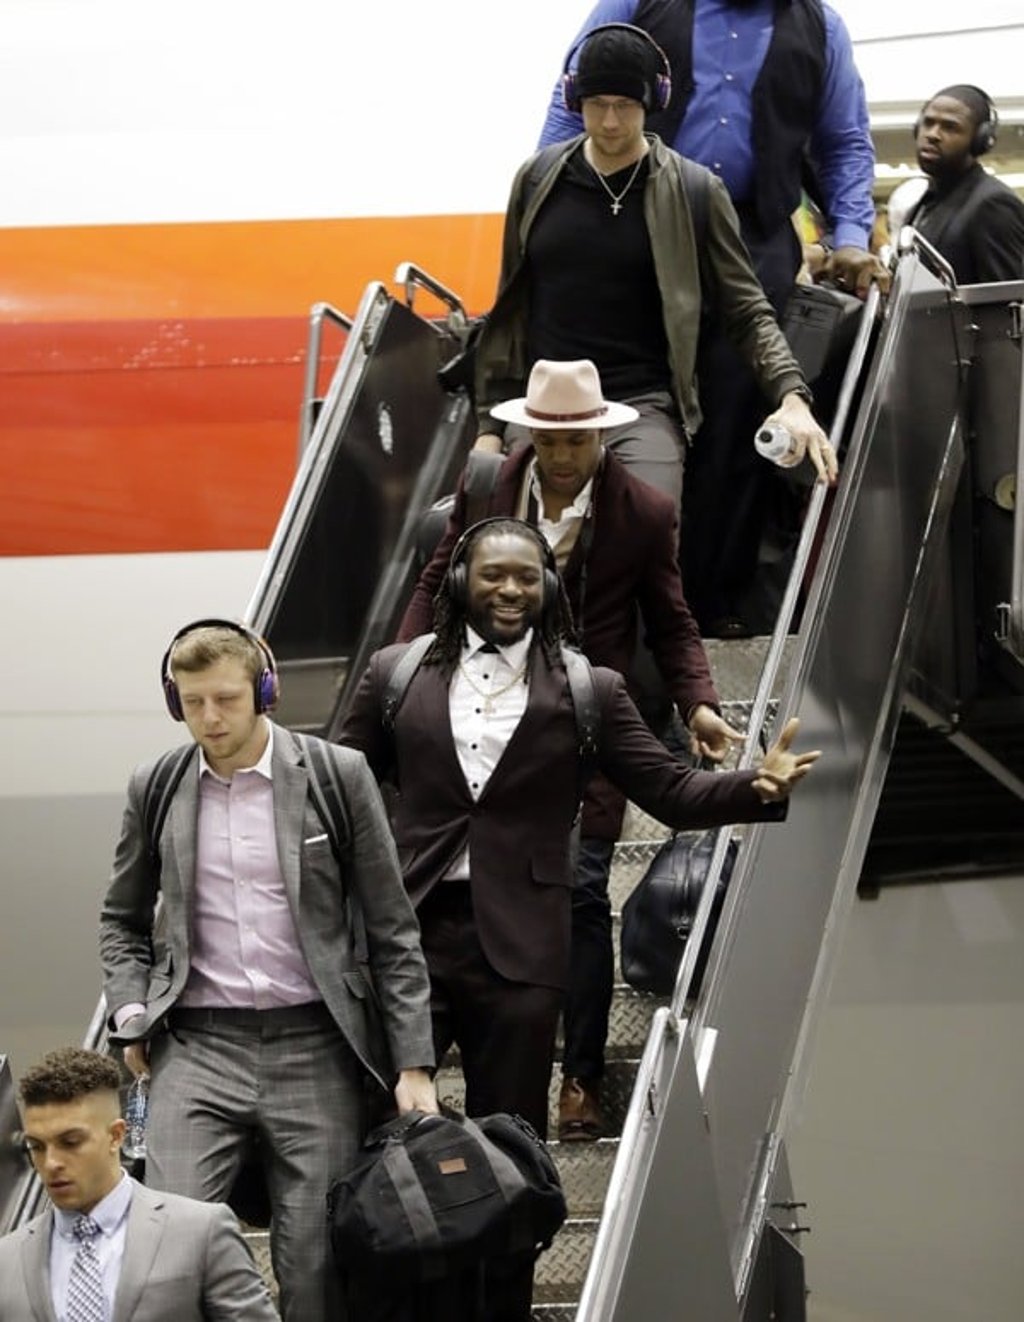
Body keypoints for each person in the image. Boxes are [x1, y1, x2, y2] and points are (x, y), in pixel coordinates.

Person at [400, 358, 742, 1138]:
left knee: (583, 894)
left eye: (576, 438)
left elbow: (674, 621)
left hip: (582, 725)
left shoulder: (642, 511)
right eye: (548, 437)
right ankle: (431, 1068)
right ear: (528, 431)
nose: (560, 454)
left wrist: (700, 704)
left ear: (600, 433)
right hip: (475, 714)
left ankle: (580, 1077)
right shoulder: (488, 485)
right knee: (455, 891)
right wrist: (406, 663)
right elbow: (433, 577)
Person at [99, 619, 438, 1322]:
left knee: (314, 1268)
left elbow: (392, 927)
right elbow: (121, 921)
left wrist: (414, 1064)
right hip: (197, 1045)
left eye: (224, 699)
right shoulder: (156, 785)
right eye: (191, 702)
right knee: (165, 1255)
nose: (209, 718)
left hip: (316, 1045)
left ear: (265, 692)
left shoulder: (335, 776)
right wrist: (132, 1011)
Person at [539, 6, 882, 634]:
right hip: (637, 220)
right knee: (627, 406)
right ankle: (606, 606)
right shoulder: (637, 4)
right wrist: (558, 207)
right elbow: (573, 102)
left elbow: (845, 140)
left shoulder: (820, 25)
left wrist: (852, 233)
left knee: (736, 429)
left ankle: (703, 608)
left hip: (755, 235)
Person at [472, 23, 836, 520]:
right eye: (597, 104)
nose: (611, 121)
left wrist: (791, 395)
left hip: (640, 404)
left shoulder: (695, 191)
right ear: (576, 102)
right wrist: (489, 426)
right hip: (543, 403)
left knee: (650, 524)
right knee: (522, 554)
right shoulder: (537, 180)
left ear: (654, 102)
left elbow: (748, 310)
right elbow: (509, 309)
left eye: (626, 105)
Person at [0, 1047, 279, 1322]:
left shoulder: (199, 1231)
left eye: (70, 1142)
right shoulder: (7, 1259)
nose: (50, 1163)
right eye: (36, 1146)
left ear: (116, 1136)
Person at [906, 84, 1024, 285]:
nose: (933, 134)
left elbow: (1006, 306)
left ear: (979, 140)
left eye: (950, 127)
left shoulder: (994, 204)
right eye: (928, 123)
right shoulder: (925, 204)